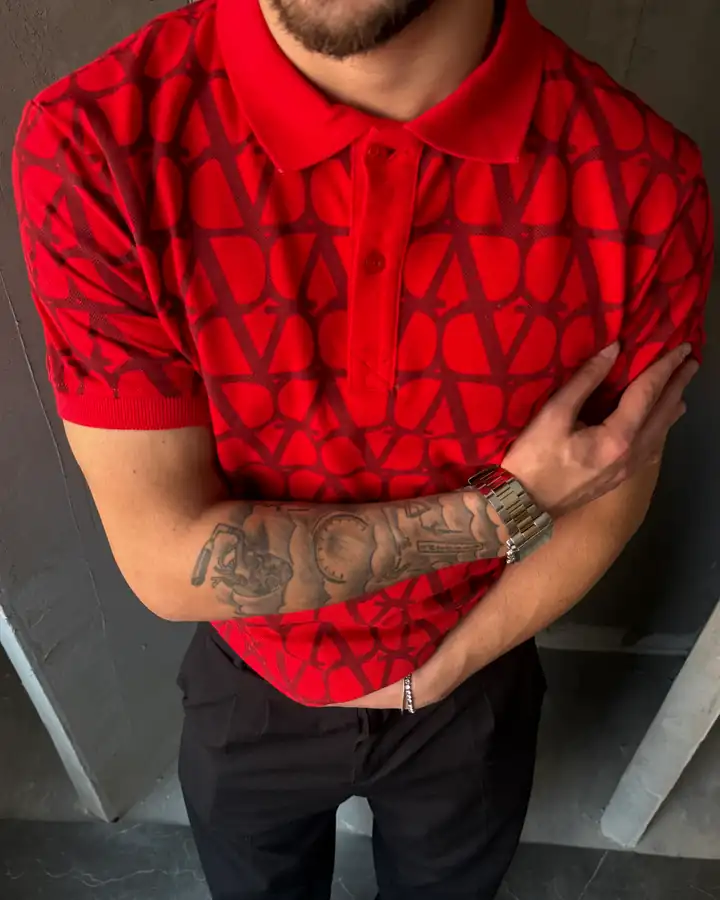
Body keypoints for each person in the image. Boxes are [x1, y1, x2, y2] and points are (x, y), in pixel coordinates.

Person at [13, 0, 712, 897]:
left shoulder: (647, 184)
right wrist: (507, 505)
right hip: (251, 680)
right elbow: (165, 557)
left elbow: (612, 490)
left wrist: (442, 673)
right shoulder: (98, 144)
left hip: (475, 671)